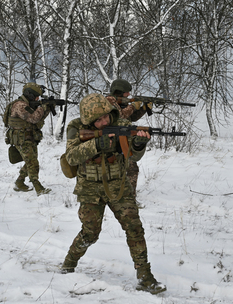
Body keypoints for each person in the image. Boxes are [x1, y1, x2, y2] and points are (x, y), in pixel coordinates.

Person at [60, 93, 166, 294]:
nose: (104, 122)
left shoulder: (123, 123)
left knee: (134, 227)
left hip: (118, 185)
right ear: (88, 120)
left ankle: (145, 276)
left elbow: (133, 155)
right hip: (90, 188)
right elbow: (72, 156)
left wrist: (138, 144)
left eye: (106, 117)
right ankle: (69, 263)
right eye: (97, 120)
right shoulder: (75, 127)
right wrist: (97, 144)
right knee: (90, 233)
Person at [106, 79, 151, 204]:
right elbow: (119, 116)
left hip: (122, 138)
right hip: (112, 141)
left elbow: (131, 117)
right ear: (119, 91)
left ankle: (128, 197)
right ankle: (128, 200)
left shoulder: (120, 102)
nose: (128, 95)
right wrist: (133, 106)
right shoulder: (109, 101)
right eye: (126, 92)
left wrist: (143, 108)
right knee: (127, 168)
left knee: (131, 168)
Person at [5, 82, 51, 196]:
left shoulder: (27, 104)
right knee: (32, 162)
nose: (37, 98)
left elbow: (38, 118)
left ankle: (19, 182)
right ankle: (38, 187)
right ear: (30, 95)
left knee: (31, 160)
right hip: (21, 138)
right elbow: (34, 118)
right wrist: (43, 107)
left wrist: (48, 108)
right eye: (36, 96)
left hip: (28, 137)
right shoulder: (20, 105)